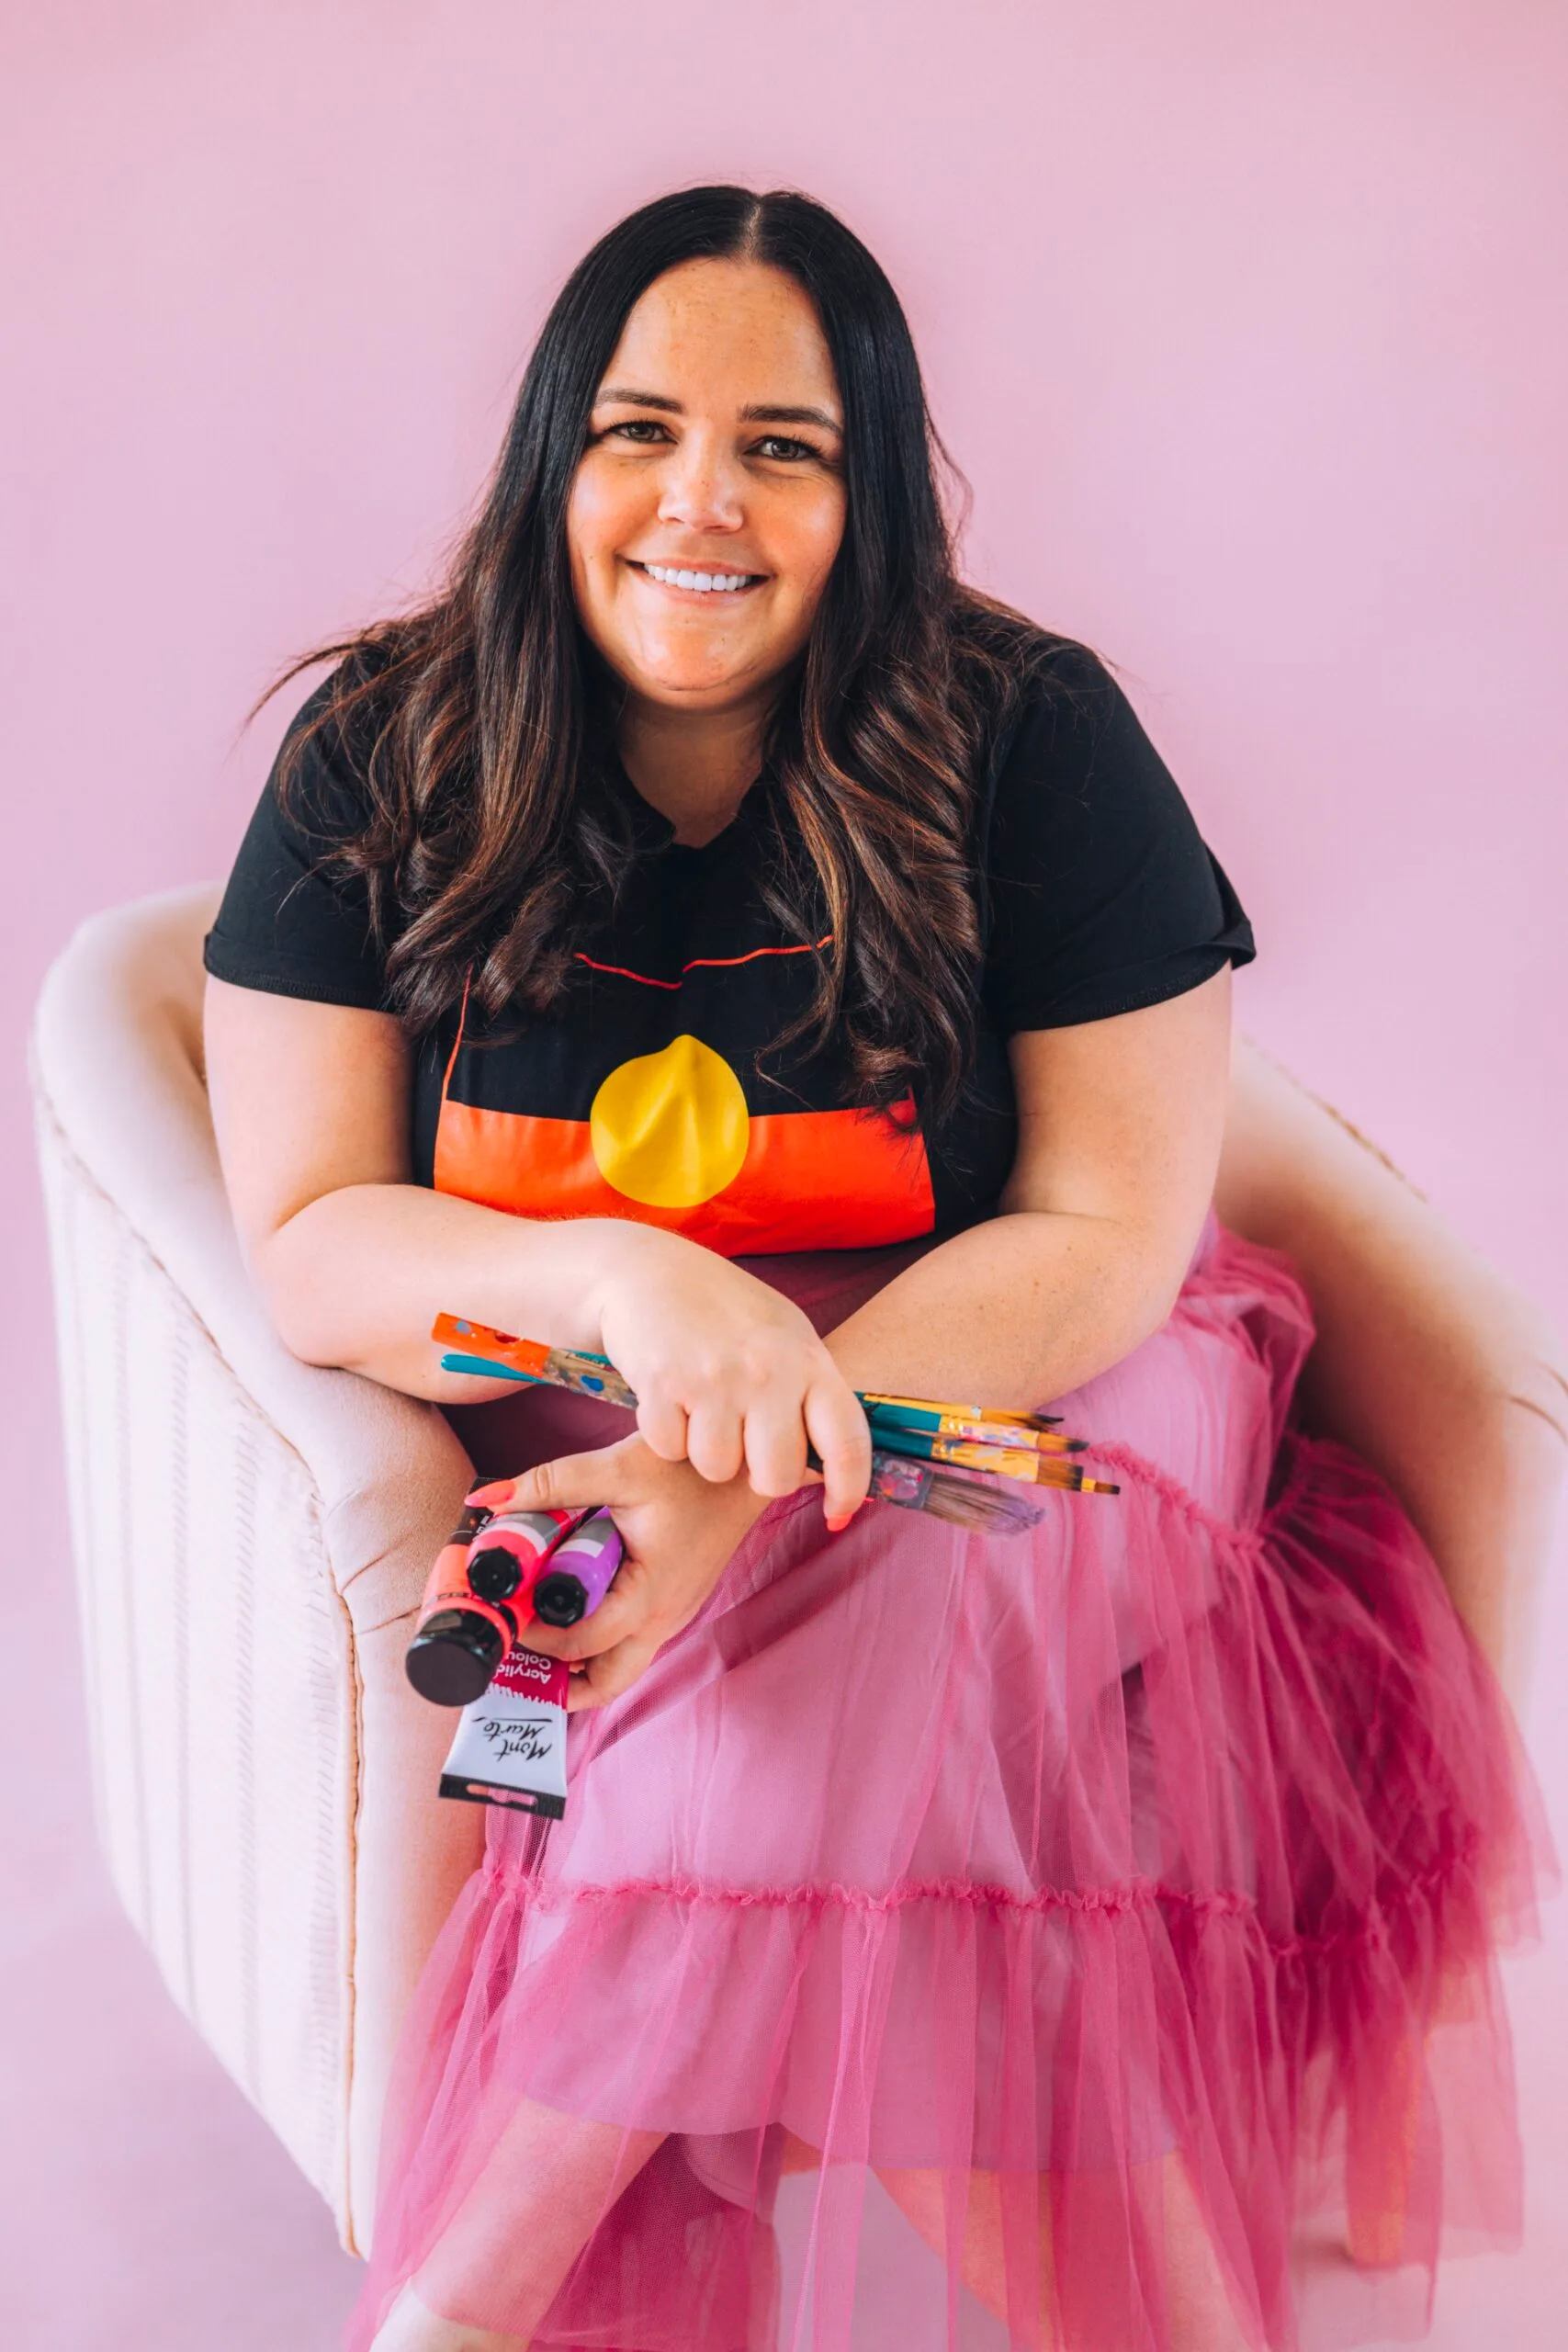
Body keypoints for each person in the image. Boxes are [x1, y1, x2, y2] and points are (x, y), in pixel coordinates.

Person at [202, 187, 1543, 2352]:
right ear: (554, 453)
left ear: (872, 486)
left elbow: (1104, 1229)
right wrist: (642, 1296)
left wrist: (728, 1469)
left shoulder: (1032, 736)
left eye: (785, 446)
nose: (700, 500)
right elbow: (314, 1243)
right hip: (619, 1401)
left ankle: (464, 2300)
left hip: (1055, 1395)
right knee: (854, 1756)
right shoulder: (385, 753)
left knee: (908, 1562)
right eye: (638, 427)